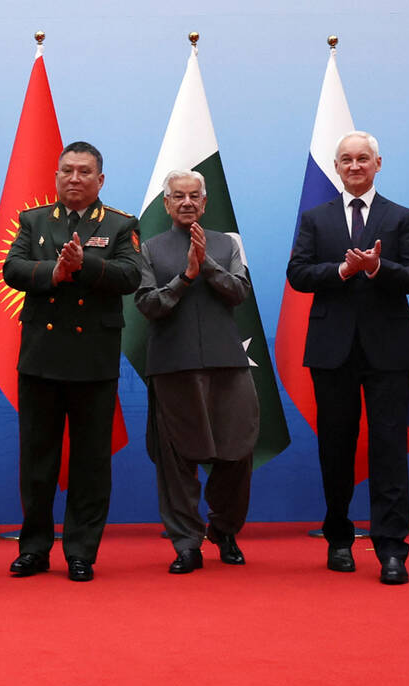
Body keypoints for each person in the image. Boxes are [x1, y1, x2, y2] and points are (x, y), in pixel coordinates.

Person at [286, 131, 409, 585]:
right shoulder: (316, 218)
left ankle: (392, 549)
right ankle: (339, 539)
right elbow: (298, 274)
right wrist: (343, 270)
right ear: (336, 166)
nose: (354, 166)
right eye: (346, 159)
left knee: (389, 451)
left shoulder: (400, 217)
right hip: (333, 351)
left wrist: (378, 268)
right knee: (336, 449)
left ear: (377, 163)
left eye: (362, 158)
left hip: (388, 351)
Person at [2, 141, 141, 582]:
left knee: (90, 462)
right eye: (67, 171)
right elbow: (12, 269)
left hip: (92, 360)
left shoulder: (120, 224)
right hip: (40, 357)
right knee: (37, 461)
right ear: (56, 176)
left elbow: (131, 275)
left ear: (100, 180)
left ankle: (81, 551)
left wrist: (83, 266)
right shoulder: (34, 220)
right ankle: (34, 549)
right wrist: (54, 272)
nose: (74, 178)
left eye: (84, 172)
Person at [135, 170, 258, 574]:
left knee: (237, 451)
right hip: (173, 365)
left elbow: (240, 292)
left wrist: (207, 265)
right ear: (166, 204)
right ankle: (186, 543)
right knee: (176, 463)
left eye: (194, 196)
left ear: (205, 203)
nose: (186, 202)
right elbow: (148, 305)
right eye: (178, 196)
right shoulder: (149, 249)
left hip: (228, 364)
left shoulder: (227, 244)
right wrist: (185, 277)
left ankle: (224, 530)